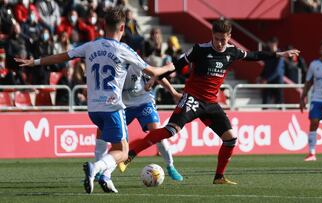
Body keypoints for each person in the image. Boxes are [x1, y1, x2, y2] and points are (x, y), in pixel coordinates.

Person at [118, 19, 300, 184]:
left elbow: (254, 56)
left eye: (223, 39)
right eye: (216, 38)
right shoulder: (200, 49)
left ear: (229, 37)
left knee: (230, 139)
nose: (219, 43)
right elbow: (177, 64)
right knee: (170, 131)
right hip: (192, 99)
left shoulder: (232, 52)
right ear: (212, 35)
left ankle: (219, 176)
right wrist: (155, 77)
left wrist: (278, 54)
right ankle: (131, 154)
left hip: (211, 103)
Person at [15, 7, 175, 194]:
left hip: (93, 109)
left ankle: (105, 179)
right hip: (113, 107)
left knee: (113, 146)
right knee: (123, 152)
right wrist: (173, 65)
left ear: (103, 25)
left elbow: (63, 57)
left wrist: (35, 62)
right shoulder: (123, 49)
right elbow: (154, 72)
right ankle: (96, 168)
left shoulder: (90, 45)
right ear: (122, 27)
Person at [95, 63, 184, 181]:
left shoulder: (136, 62)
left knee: (157, 133)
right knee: (101, 130)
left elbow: (157, 74)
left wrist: (173, 93)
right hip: (123, 105)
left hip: (144, 102)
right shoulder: (111, 66)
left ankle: (170, 166)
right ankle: (97, 169)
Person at [259, 37, 285, 105]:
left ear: (274, 44)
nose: (269, 45)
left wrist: (267, 80)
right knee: (265, 101)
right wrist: (261, 76)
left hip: (277, 83)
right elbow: (266, 67)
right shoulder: (269, 54)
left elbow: (278, 71)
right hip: (268, 82)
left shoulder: (280, 54)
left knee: (279, 103)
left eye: (270, 43)